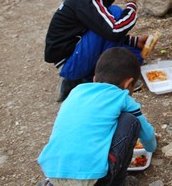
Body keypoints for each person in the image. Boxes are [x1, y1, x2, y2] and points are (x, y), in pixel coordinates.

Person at [38, 47, 158, 186]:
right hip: (93, 177)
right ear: (128, 83)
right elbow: (149, 140)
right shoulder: (122, 97)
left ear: (95, 79)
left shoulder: (76, 91)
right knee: (131, 121)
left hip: (53, 172)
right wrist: (152, 145)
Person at [44, 0, 148, 102]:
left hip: (79, 52)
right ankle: (79, 81)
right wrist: (131, 5)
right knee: (116, 12)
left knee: (135, 57)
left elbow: (102, 30)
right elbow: (113, 31)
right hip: (70, 62)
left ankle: (97, 76)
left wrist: (133, 41)